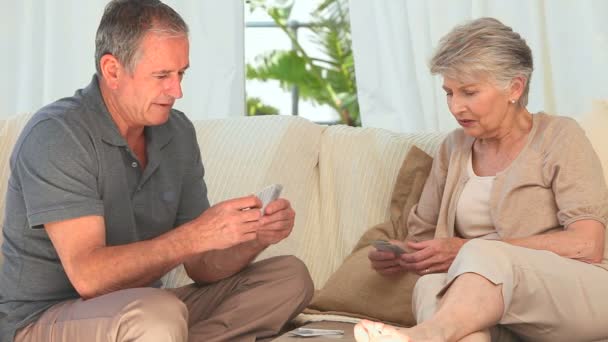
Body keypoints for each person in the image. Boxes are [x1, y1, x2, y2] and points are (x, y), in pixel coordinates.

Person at [0, 1, 314, 341]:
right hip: (45, 319)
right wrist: (197, 234)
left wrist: (251, 240)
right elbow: (88, 278)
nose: (177, 91)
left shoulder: (176, 132)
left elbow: (201, 266)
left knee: (289, 277)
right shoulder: (57, 134)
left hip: (144, 311)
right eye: (162, 76)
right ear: (113, 71)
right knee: (157, 314)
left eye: (181, 74)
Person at [355, 17, 608, 342]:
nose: (456, 106)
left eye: (469, 92)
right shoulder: (453, 147)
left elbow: (586, 244)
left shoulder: (560, 136)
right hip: (485, 304)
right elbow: (427, 235)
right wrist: (405, 253)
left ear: (514, 88)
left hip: (576, 296)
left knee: (481, 254)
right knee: (433, 285)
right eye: (449, 93)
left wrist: (468, 248)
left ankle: (424, 336)